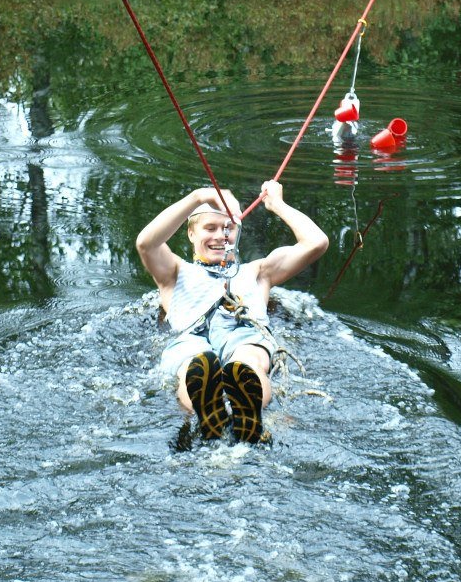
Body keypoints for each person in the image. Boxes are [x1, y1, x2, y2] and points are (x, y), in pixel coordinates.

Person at [136, 180, 328, 443]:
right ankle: (208, 412)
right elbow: (146, 244)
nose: (219, 236)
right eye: (210, 228)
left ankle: (248, 411)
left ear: (238, 231)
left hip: (243, 333)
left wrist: (278, 205)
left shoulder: (259, 272)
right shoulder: (174, 271)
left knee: (248, 361)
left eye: (228, 227)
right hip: (191, 337)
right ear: (191, 234)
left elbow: (316, 243)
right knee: (193, 365)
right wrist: (198, 196)